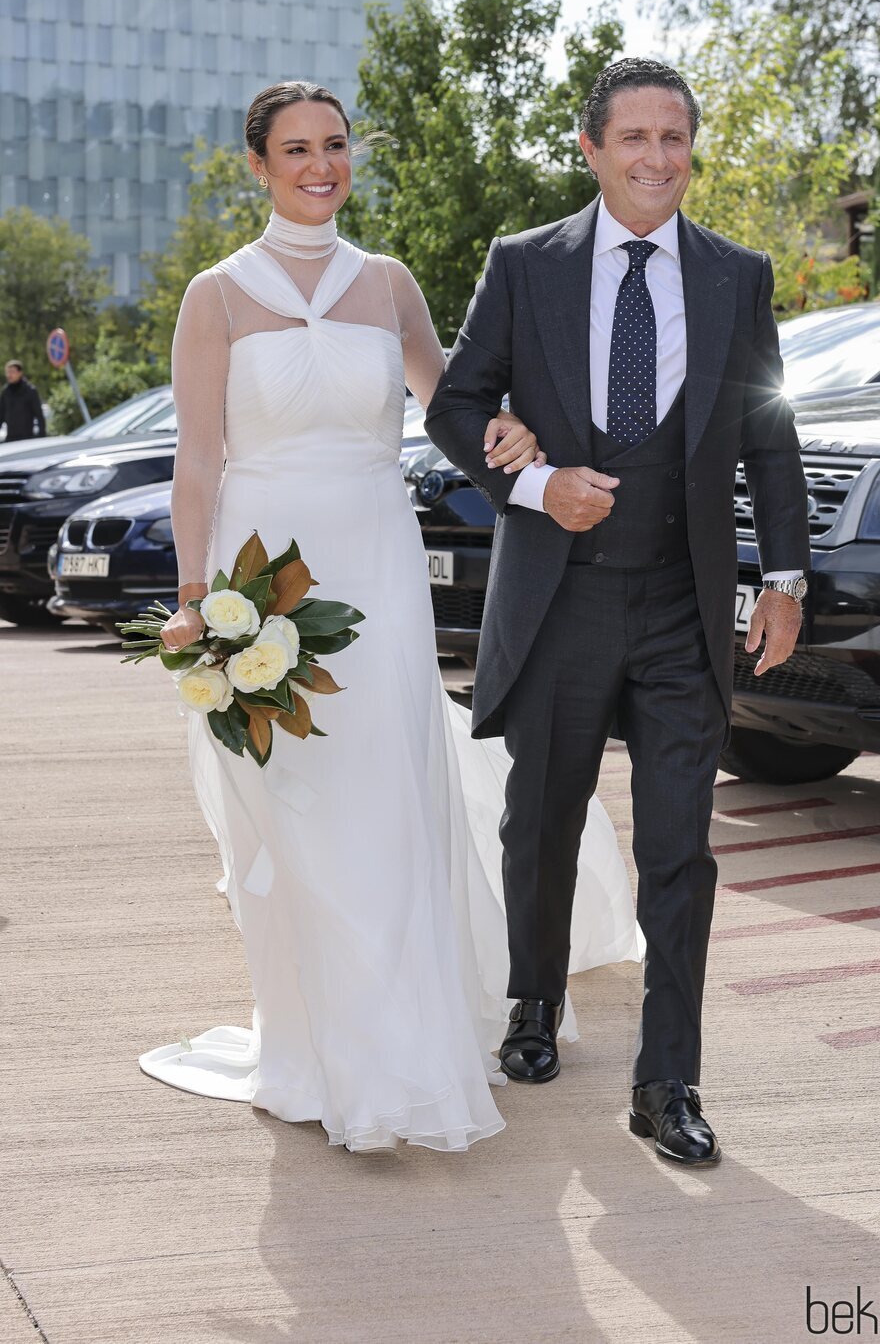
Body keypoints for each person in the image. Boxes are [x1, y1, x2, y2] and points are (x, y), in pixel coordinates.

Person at [139, 81, 639, 1153]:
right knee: (297, 812)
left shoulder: (389, 283)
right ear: (257, 164)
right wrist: (191, 602)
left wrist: (525, 453)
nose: (320, 165)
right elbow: (196, 461)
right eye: (294, 150)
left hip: (375, 573)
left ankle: (395, 1058)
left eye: (334, 145)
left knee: (383, 801)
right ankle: (317, 1048)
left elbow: (454, 411)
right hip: (260, 577)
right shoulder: (215, 297)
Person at [425, 58, 811, 1166]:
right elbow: (457, 402)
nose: (655, 157)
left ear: (691, 150)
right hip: (559, 598)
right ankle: (533, 1002)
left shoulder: (736, 274)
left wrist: (782, 580)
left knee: (680, 849)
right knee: (539, 821)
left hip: (681, 607)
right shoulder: (524, 265)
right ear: (590, 148)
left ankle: (666, 1081)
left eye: (673, 137)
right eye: (632, 137)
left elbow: (766, 435)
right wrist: (538, 484)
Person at [0, 360, 46, 441]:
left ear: (20, 373)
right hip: (10, 438)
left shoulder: (30, 390)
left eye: (12, 372)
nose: (9, 375)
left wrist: (41, 437)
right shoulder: (6, 392)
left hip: (27, 439)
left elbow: (39, 416)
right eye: (7, 372)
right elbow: (1, 415)